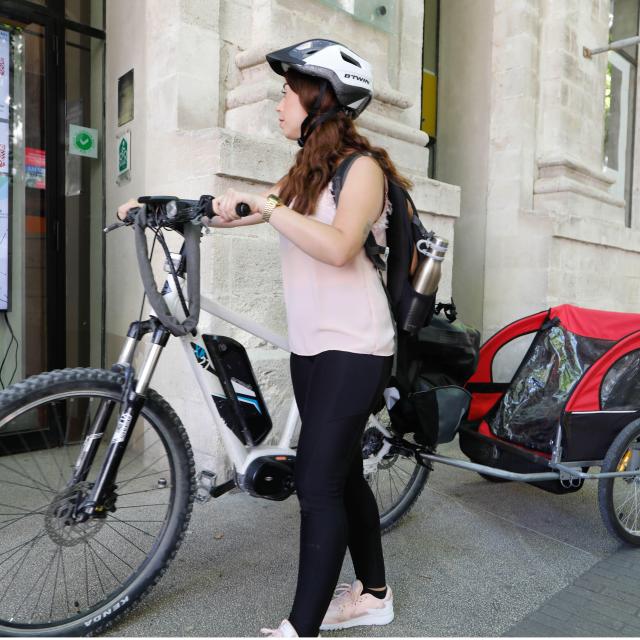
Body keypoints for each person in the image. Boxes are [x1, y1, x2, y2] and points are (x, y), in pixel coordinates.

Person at [118, 38, 412, 638]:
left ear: (321, 96)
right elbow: (243, 212)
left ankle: (298, 629)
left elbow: (338, 247)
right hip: (313, 346)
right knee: (344, 475)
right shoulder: (305, 174)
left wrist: (271, 208)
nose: (279, 102)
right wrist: (166, 209)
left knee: (319, 483)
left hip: (356, 347)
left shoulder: (364, 171)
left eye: (286, 91)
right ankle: (375, 595)